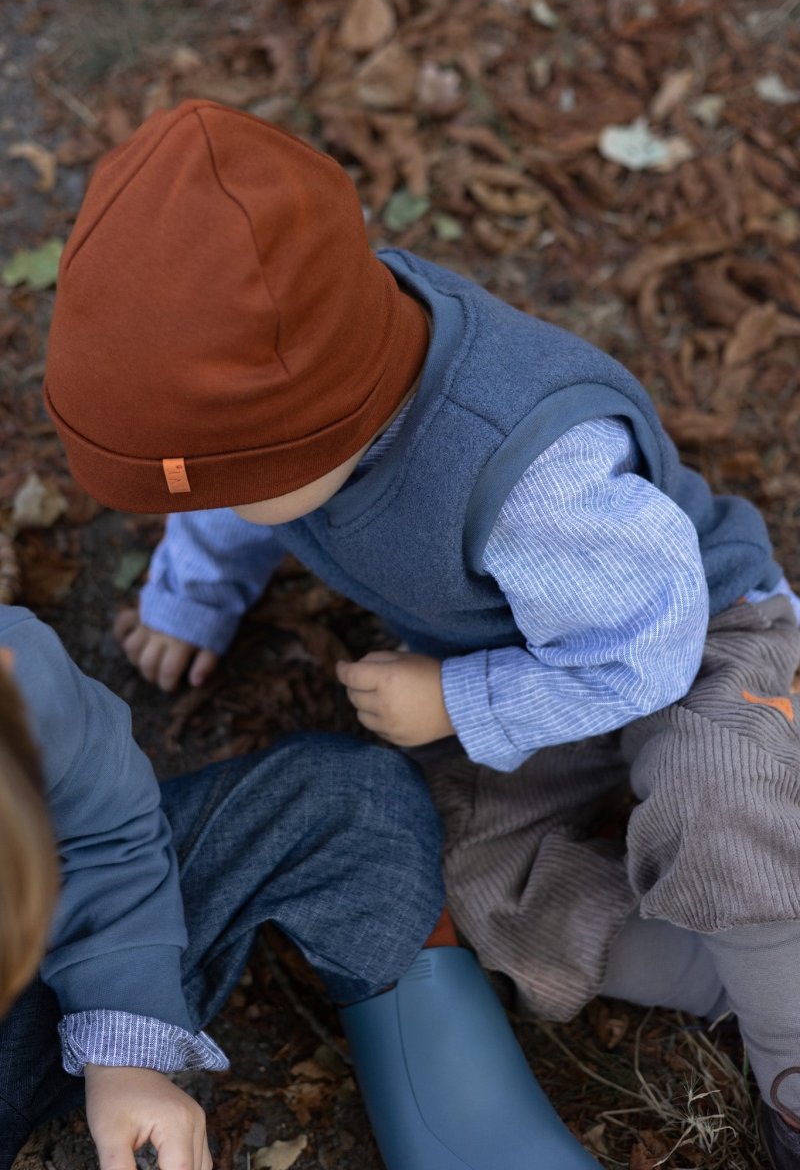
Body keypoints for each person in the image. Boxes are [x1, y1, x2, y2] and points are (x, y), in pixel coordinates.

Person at [43, 98, 800, 1169]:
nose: (213, 502)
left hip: (687, 633)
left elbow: (645, 646)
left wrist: (458, 701)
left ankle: (790, 1057)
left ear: (319, 423)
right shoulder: (292, 406)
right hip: (526, 657)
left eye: (232, 479)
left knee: (726, 807)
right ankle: (742, 970)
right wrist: (190, 599)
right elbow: (222, 497)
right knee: (467, 879)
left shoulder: (532, 475)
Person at [0, 603, 599, 1170]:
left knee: (348, 802)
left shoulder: (18, 669)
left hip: (41, 973)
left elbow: (100, 833)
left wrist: (122, 1053)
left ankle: (470, 1133)